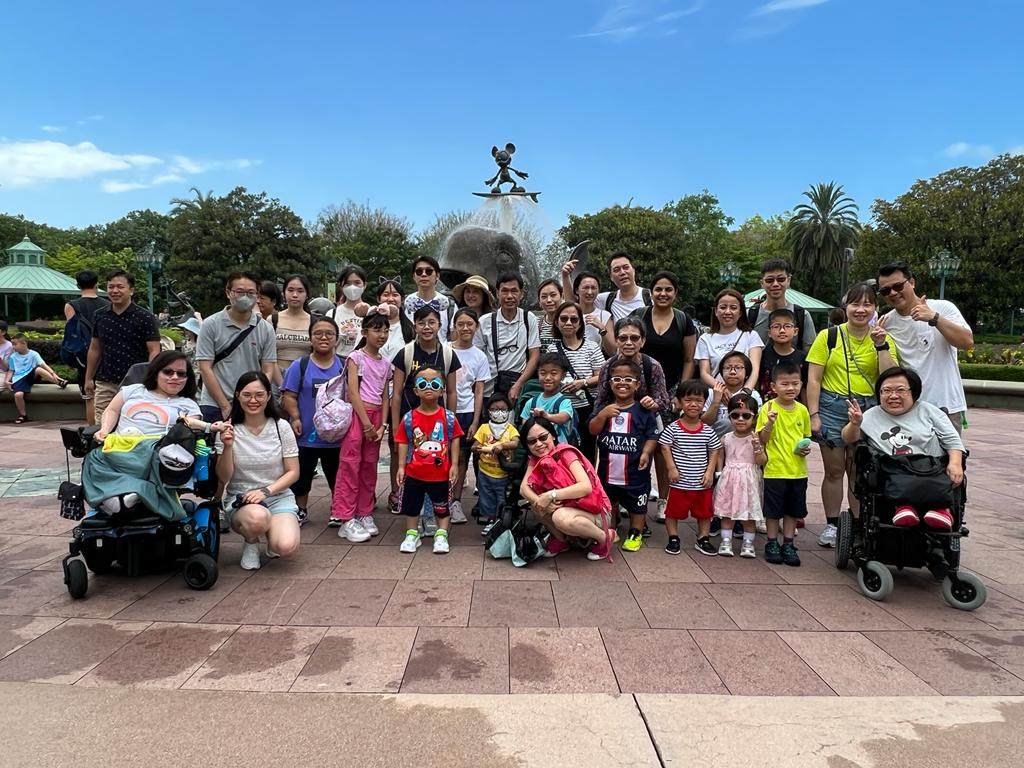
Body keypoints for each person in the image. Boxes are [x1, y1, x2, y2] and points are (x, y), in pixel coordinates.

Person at [806, 282, 898, 548]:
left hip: (869, 409)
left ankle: (857, 526)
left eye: (867, 304)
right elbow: (813, 379)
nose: (861, 310)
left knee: (858, 471)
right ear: (845, 307)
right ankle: (833, 525)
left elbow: (888, 378)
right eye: (855, 304)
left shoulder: (884, 338)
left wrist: (881, 345)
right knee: (834, 470)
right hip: (833, 406)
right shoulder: (829, 336)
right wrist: (814, 414)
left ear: (875, 309)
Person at [842, 366, 965, 530]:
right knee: (890, 475)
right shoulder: (871, 415)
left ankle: (941, 510)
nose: (893, 396)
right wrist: (854, 424)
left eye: (901, 390)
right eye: (886, 391)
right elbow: (848, 438)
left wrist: (955, 463)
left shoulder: (928, 411)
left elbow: (952, 439)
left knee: (944, 476)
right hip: (893, 470)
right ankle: (903, 508)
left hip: (931, 468)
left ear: (913, 392)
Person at [876, 262, 974, 435]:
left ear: (912, 282)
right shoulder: (886, 323)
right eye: (885, 290)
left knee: (950, 461)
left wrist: (934, 318)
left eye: (898, 286)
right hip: (909, 409)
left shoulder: (941, 308)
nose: (893, 293)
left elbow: (967, 342)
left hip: (946, 407)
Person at [216, 371, 301, 571]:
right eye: (247, 395)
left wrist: (266, 491)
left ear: (268, 396)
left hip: (277, 496)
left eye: (259, 395)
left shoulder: (281, 427)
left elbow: (293, 472)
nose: (253, 400)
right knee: (257, 519)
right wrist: (227, 446)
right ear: (237, 395)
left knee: (285, 547)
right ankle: (251, 541)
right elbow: (223, 477)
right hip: (242, 499)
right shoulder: (228, 429)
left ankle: (273, 536)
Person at [391, 305, 461, 528]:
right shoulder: (406, 353)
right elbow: (397, 392)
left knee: (435, 469)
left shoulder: (448, 354)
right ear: (415, 325)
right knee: (413, 469)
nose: (427, 327)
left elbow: (451, 391)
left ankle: (431, 517)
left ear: (440, 325)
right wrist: (394, 427)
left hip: (439, 423)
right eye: (421, 323)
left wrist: (451, 425)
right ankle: (412, 511)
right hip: (411, 421)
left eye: (432, 322)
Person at [331, 312, 394, 540]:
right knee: (350, 465)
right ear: (365, 332)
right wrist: (367, 424)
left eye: (386, 330)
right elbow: (353, 393)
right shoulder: (355, 358)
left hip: (376, 417)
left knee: (370, 466)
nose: (382, 335)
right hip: (358, 417)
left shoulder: (386, 363)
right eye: (377, 330)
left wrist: (383, 425)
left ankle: (364, 512)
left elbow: (386, 397)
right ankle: (345, 518)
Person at [519, 416, 616, 561]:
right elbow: (523, 489)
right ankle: (561, 540)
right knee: (536, 505)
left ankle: (605, 537)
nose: (539, 444)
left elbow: (585, 487)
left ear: (552, 435)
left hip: (596, 510)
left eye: (543, 437)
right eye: (532, 441)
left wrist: (551, 496)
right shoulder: (535, 459)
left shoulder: (565, 453)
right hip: (570, 507)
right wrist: (541, 500)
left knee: (560, 517)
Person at [589, 358, 659, 553]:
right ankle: (609, 530)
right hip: (607, 472)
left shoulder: (644, 411)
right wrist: (602, 415)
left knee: (638, 506)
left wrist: (646, 452)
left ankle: (635, 532)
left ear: (637, 385)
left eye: (628, 379)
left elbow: (652, 435)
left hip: (635, 472)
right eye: (617, 378)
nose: (622, 382)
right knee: (608, 502)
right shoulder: (605, 408)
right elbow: (593, 430)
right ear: (610, 383)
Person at [281, 315, 344, 528]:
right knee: (302, 476)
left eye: (329, 334)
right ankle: (300, 510)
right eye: (318, 333)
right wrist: (296, 417)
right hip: (305, 433)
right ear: (310, 338)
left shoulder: (344, 366)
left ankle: (338, 510)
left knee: (337, 475)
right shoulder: (300, 366)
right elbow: (288, 396)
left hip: (336, 436)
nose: (323, 337)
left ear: (337, 338)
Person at [394, 367, 463, 555]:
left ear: (442, 389)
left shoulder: (448, 417)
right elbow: (402, 442)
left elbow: (455, 438)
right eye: (422, 384)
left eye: (435, 384)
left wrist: (454, 464)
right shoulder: (409, 418)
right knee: (411, 506)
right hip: (414, 472)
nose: (428, 388)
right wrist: (401, 466)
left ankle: (441, 535)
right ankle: (412, 534)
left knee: (442, 506)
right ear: (416, 390)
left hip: (440, 474)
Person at [195, 272, 278, 422]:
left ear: (257, 296)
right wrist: (225, 406)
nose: (245, 297)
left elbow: (268, 368)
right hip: (215, 404)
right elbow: (205, 368)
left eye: (251, 292)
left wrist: (257, 398)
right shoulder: (211, 324)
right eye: (239, 292)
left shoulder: (265, 329)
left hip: (251, 405)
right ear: (228, 293)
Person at [84, 269, 162, 425]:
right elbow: (95, 348)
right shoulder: (100, 315)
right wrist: (88, 378)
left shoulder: (145, 317)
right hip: (106, 380)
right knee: (102, 424)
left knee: (133, 423)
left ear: (131, 290)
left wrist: (150, 378)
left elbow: (154, 350)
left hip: (136, 382)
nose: (115, 291)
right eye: (111, 287)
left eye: (120, 287)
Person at [93, 350, 224, 440]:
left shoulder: (188, 405)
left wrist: (209, 426)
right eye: (168, 372)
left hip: (157, 455)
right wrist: (104, 430)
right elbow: (112, 410)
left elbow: (187, 424)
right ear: (156, 374)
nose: (175, 377)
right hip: (118, 448)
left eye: (181, 374)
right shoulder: (133, 390)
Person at [756, 360, 813, 566]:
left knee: (792, 510)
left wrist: (805, 448)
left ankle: (788, 543)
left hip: (798, 471)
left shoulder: (803, 410)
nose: (791, 388)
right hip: (775, 469)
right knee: (773, 511)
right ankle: (771, 542)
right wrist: (770, 423)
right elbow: (762, 438)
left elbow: (806, 436)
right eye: (785, 384)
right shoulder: (768, 408)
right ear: (773, 387)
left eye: (795, 383)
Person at [659, 380, 723, 556]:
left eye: (698, 400)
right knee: (673, 512)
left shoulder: (707, 430)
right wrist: (671, 468)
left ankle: (703, 538)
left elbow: (715, 450)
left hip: (702, 482)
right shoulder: (673, 428)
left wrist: (710, 472)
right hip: (680, 482)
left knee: (704, 513)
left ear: (704, 404)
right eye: (688, 400)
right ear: (679, 402)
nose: (693, 404)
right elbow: (664, 446)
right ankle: (673, 537)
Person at [546, 300, 604, 462]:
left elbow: (601, 376)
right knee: (562, 452)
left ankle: (589, 485)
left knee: (587, 453)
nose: (568, 323)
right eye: (564, 319)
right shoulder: (552, 349)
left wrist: (583, 383)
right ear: (557, 322)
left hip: (587, 408)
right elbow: (548, 377)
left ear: (580, 323)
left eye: (574, 319)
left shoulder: (591, 347)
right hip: (561, 410)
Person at [449, 308, 489, 524]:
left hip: (466, 413)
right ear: (454, 326)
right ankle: (438, 499)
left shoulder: (479, 356)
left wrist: (475, 420)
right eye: (461, 324)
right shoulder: (445, 350)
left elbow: (479, 391)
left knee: (462, 457)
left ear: (476, 327)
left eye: (469, 324)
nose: (465, 328)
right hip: (443, 413)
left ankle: (455, 501)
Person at [714, 393, 767, 558]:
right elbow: (720, 455)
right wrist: (719, 472)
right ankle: (726, 541)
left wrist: (758, 448)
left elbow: (761, 461)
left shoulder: (756, 438)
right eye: (735, 415)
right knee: (727, 512)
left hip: (749, 480)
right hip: (729, 478)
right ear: (729, 417)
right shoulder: (726, 438)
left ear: (755, 418)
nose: (741, 419)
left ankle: (748, 543)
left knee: (749, 514)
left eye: (746, 415)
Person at [476, 272, 540, 402]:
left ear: (521, 294)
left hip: (517, 388)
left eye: (514, 291)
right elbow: (477, 356)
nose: (509, 296)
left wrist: (519, 384)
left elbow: (534, 354)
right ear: (497, 293)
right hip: (489, 389)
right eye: (504, 291)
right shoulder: (485, 321)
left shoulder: (529, 318)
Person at [592, 317, 672, 416]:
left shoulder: (652, 366)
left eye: (634, 338)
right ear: (617, 341)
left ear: (642, 341)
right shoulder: (608, 366)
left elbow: (664, 402)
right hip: (615, 419)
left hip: (644, 421)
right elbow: (600, 401)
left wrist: (653, 404)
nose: (629, 343)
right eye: (623, 338)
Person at [633, 271, 696, 390]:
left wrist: (681, 392)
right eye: (658, 289)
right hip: (637, 389)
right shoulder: (638, 316)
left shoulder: (683, 320)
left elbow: (689, 360)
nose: (663, 294)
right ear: (651, 293)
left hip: (671, 390)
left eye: (668, 290)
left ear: (675, 293)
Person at [63, 269, 111, 424]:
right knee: (107, 397)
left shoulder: (71, 305)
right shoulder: (107, 304)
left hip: (84, 356)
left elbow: (72, 334)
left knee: (89, 398)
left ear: (77, 285)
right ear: (97, 284)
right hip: (105, 354)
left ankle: (92, 433)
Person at [695, 288, 763, 392]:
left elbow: (754, 370)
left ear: (740, 312)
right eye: (723, 307)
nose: (727, 312)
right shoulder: (705, 339)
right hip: (715, 395)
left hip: (744, 396)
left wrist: (745, 392)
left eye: (733, 308)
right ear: (716, 311)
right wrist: (722, 390)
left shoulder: (751, 336)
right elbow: (704, 373)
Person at [471, 393, 520, 527]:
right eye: (495, 409)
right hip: (485, 471)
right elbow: (474, 446)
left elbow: (515, 443)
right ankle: (490, 519)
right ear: (489, 411)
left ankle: (501, 520)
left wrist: (502, 446)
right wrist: (479, 448)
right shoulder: (484, 428)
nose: (499, 413)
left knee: (502, 497)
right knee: (486, 496)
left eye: (503, 410)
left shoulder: (510, 429)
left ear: (508, 412)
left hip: (503, 473)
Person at [747, 259, 816, 349]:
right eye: (769, 280)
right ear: (762, 283)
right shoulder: (750, 314)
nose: (775, 284)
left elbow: (810, 352)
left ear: (788, 281)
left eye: (781, 279)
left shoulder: (802, 315)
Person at [5, 333, 68, 423]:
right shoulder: (13, 357)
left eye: (15, 344)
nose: (13, 347)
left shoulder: (34, 354)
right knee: (18, 395)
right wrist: (7, 381)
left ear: (24, 343)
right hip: (19, 379)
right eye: (12, 344)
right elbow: (11, 370)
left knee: (38, 369)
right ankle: (23, 415)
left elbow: (43, 365)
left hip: (31, 376)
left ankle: (59, 382)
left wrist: (53, 373)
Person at [519, 352, 576, 445]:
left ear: (563, 375)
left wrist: (547, 416)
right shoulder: (531, 402)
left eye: (553, 373)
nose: (548, 378)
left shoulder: (564, 402)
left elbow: (564, 417)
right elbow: (525, 426)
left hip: (559, 451)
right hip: (537, 449)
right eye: (543, 373)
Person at [702, 351, 762, 437]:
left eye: (738, 368)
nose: (732, 372)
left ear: (747, 374)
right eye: (727, 368)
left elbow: (757, 423)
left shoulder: (753, 395)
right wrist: (716, 401)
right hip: (715, 442)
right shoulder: (711, 392)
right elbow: (705, 423)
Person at [756, 307, 808, 402]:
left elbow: (804, 388)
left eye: (787, 326)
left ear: (795, 331)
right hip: (766, 410)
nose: (782, 330)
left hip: (794, 411)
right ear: (769, 333)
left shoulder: (803, 358)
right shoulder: (761, 356)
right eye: (776, 326)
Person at [560, 267, 614, 354]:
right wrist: (565, 276)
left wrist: (602, 328)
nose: (589, 292)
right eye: (585, 288)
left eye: (593, 288)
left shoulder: (604, 316)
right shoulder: (567, 314)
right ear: (577, 290)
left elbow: (613, 352)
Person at [403, 256, 453, 343]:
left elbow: (453, 336)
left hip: (441, 354)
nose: (424, 274)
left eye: (429, 271)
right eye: (419, 271)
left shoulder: (449, 304)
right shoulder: (406, 304)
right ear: (414, 276)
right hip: (411, 354)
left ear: (437, 276)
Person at [328, 265, 372, 358]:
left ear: (364, 285)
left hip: (365, 365)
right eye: (347, 283)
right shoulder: (332, 314)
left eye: (357, 283)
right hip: (339, 364)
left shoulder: (372, 313)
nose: (352, 287)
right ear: (341, 286)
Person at [273, 274, 313, 375]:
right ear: (283, 293)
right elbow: (268, 357)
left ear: (307, 295)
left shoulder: (314, 322)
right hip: (277, 376)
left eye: (300, 291)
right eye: (290, 290)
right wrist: (280, 384)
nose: (295, 295)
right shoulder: (273, 320)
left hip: (305, 376)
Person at [596, 252, 651, 321]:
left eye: (626, 267)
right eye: (616, 270)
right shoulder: (605, 300)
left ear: (634, 270)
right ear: (611, 277)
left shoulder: (651, 297)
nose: (622, 272)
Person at [535, 279, 563, 349]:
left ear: (562, 296)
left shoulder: (571, 322)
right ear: (539, 302)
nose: (549, 300)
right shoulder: (535, 323)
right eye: (544, 297)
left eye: (553, 295)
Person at [0, 320, 12, 392]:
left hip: (2, 373)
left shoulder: (9, 346)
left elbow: (7, 368)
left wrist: (0, 360)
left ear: (3, 332)